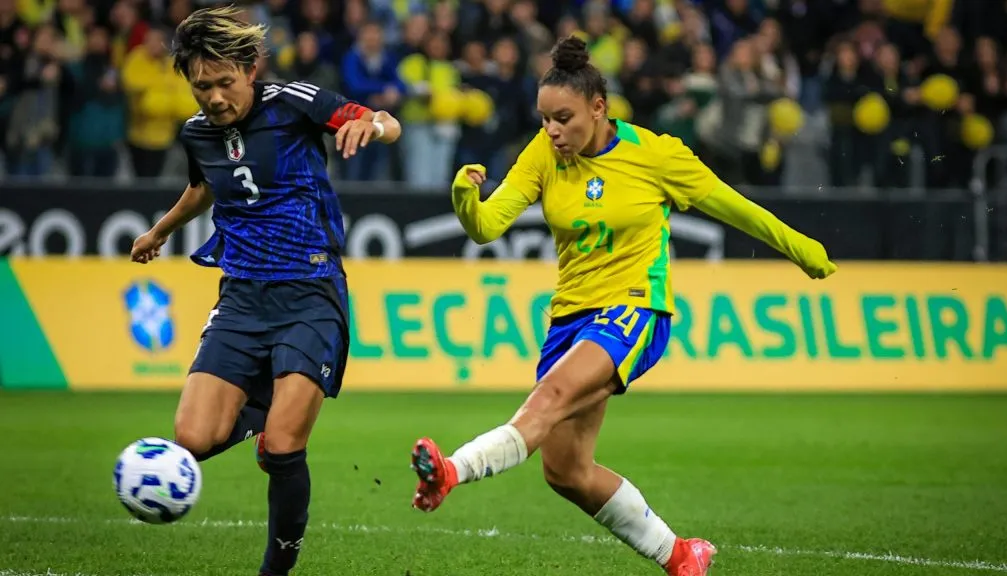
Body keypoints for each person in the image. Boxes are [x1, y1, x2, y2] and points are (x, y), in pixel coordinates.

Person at [409, 36, 836, 576]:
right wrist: (465, 201)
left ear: (598, 107)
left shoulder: (656, 156)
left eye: (563, 118)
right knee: (566, 471)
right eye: (544, 120)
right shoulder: (543, 154)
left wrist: (801, 248)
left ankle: (449, 471)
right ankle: (681, 556)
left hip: (635, 308)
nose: (552, 131)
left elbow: (735, 207)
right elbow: (489, 226)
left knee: (550, 396)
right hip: (570, 317)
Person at [129, 7, 401, 576]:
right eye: (202, 86)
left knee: (282, 450)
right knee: (192, 439)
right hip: (242, 298)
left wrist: (369, 125)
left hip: (310, 292)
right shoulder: (197, 133)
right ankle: (263, 411)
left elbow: (385, 120)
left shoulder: (293, 102)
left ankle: (276, 569)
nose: (215, 97)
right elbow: (203, 187)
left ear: (250, 70)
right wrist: (160, 232)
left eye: (225, 82)